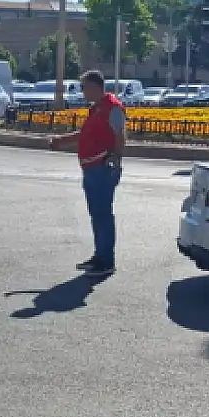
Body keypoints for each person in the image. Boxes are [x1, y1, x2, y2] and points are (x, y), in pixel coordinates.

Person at [49, 69, 126, 274]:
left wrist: (115, 159)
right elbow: (85, 135)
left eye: (84, 87)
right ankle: (99, 256)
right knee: (97, 215)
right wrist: (61, 140)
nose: (82, 91)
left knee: (103, 215)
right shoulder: (96, 109)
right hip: (91, 169)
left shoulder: (112, 108)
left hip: (103, 169)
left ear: (94, 87)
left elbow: (120, 135)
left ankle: (106, 262)